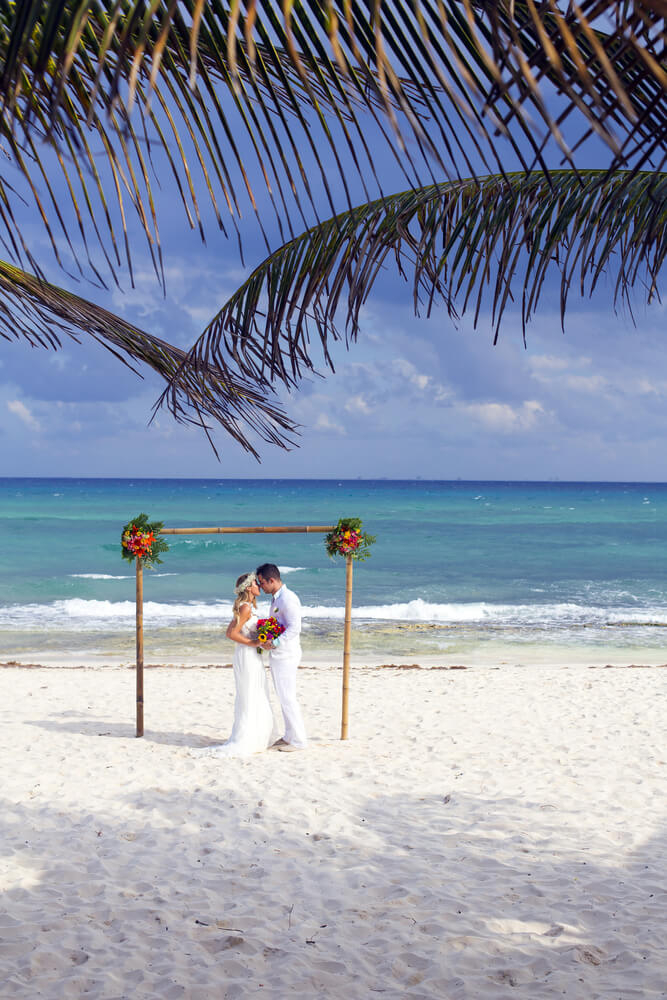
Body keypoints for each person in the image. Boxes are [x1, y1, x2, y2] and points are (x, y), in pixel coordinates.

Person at [193, 571, 277, 757]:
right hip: (246, 655)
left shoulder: (250, 607)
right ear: (248, 588)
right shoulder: (245, 608)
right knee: (249, 693)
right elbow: (231, 633)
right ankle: (247, 737)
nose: (259, 585)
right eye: (256, 583)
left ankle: (257, 735)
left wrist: (264, 638)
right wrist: (254, 643)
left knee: (257, 691)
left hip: (253, 655)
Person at [256, 563, 308, 751]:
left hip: (286, 654)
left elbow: (295, 627)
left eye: (262, 583)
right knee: (283, 696)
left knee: (288, 697)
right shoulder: (276, 598)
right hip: (279, 654)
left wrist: (275, 642)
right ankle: (289, 735)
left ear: (272, 580)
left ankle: (299, 740)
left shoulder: (288, 599)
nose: (261, 587)